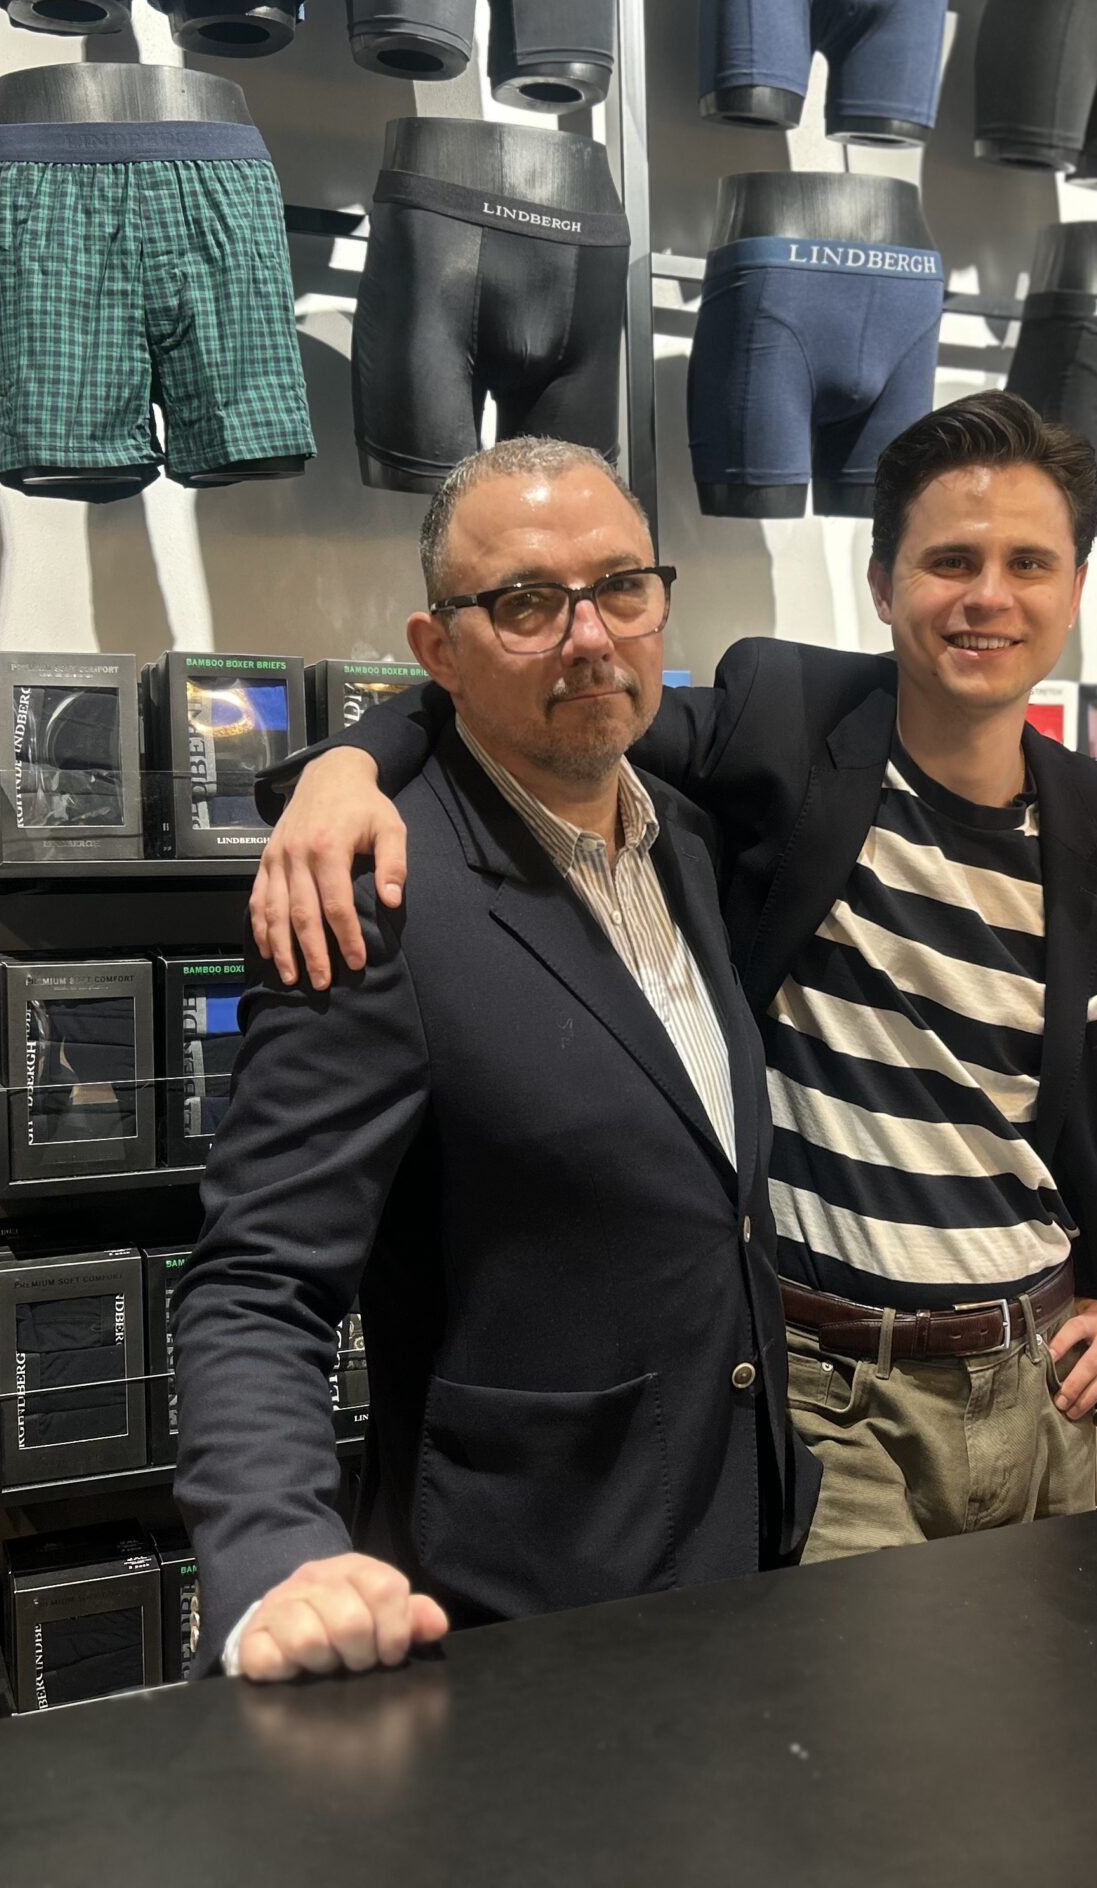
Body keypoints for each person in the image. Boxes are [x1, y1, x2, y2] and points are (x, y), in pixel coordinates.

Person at [254, 391, 1097, 1561]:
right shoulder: (785, 721)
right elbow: (548, 689)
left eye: (1027, 563)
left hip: (1049, 1390)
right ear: (882, 585)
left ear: (1076, 588)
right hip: (831, 1396)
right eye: (949, 561)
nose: (988, 596)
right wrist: (344, 767)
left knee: (1046, 1678)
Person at [175, 437, 815, 1683]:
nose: (589, 636)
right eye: (525, 603)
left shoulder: (687, 840)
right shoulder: (376, 898)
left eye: (620, 587)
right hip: (523, 1602)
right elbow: (257, 1281)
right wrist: (273, 1557)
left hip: (740, 1553)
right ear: (437, 649)